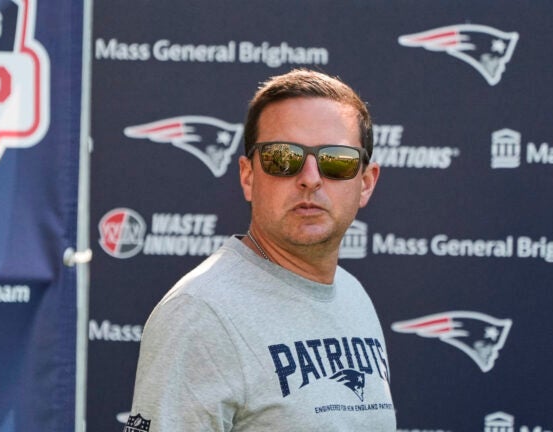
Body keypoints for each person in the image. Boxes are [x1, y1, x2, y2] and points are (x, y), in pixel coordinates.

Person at [125, 69, 395, 431]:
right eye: (282, 157)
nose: (311, 177)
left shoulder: (353, 295)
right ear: (248, 176)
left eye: (337, 160)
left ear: (365, 183)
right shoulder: (200, 313)